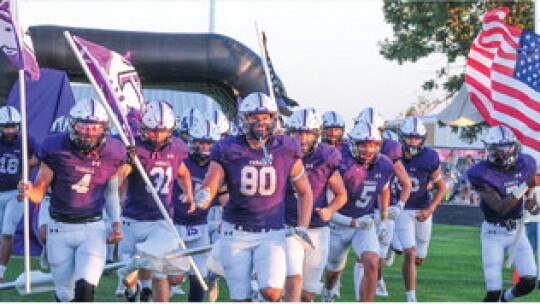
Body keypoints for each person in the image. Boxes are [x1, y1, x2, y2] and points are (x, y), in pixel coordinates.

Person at [194, 92, 313, 302]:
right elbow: (213, 180)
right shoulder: (227, 148)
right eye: (254, 117)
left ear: (273, 118)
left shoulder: (285, 147)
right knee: (240, 297)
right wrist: (204, 194)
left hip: (271, 231)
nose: (261, 122)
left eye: (266, 116)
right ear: (243, 118)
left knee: (272, 292)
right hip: (236, 233)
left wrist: (302, 227)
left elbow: (304, 191)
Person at [18, 99, 126, 301]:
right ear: (72, 125)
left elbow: (111, 193)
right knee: (65, 295)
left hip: (92, 228)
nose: (88, 133)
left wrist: (116, 223)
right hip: (59, 228)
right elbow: (40, 191)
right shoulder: (55, 147)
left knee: (85, 289)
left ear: (104, 128)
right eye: (83, 127)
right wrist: (28, 191)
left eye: (94, 128)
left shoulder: (113, 151)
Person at [117, 100, 194, 302]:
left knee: (159, 271)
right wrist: (127, 162)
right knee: (129, 274)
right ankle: (136, 290)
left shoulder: (177, 147)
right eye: (152, 131)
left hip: (161, 219)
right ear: (143, 128)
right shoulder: (135, 148)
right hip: (132, 218)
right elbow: (118, 178)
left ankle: (151, 296)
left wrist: (189, 193)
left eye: (162, 131)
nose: (157, 136)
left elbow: (183, 172)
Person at [323, 122, 394, 302]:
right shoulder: (341, 164)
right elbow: (329, 207)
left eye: (372, 145)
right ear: (353, 144)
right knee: (332, 272)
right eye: (363, 144)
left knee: (372, 261)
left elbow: (385, 189)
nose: (368, 149)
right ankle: (328, 292)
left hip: (364, 222)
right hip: (338, 224)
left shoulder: (384, 164)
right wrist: (353, 223)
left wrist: (384, 218)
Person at [467, 125, 538, 302]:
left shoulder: (526, 163)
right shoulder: (482, 172)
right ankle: (498, 298)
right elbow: (499, 208)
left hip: (516, 232)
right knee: (492, 292)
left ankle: (505, 299)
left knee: (529, 281)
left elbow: (528, 199)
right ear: (490, 150)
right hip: (493, 232)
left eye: (508, 147)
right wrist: (525, 186)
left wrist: (532, 203)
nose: (505, 152)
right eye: (500, 148)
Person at [283, 108, 347, 302]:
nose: (302, 139)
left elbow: (341, 194)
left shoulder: (326, 157)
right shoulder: (280, 154)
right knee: (293, 277)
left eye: (308, 133)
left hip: (317, 229)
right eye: (298, 133)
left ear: (317, 134)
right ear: (289, 133)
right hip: (288, 226)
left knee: (308, 292)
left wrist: (330, 209)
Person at [353, 107, 412, 296]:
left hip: (380, 207)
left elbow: (403, 182)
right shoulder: (349, 150)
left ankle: (377, 278)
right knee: (363, 257)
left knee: (379, 256)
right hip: (354, 210)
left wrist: (398, 206)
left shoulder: (389, 152)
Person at [171, 118, 227, 302]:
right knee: (174, 277)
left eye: (209, 143)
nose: (205, 147)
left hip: (199, 225)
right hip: (173, 223)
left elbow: (225, 197)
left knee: (199, 277)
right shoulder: (181, 160)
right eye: (201, 142)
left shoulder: (219, 167)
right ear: (193, 141)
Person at [393, 116, 446, 302]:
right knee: (410, 252)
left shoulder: (430, 156)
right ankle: (411, 297)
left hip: (422, 209)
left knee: (419, 257)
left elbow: (442, 187)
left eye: (417, 138)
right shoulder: (393, 154)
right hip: (402, 208)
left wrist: (430, 209)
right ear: (402, 138)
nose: (413, 142)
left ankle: (394, 246)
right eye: (409, 138)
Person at [0, 106, 39, 281]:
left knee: (8, 231)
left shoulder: (27, 141)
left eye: (13, 126)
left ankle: (0, 270)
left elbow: (40, 157)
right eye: (6, 126)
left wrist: (29, 166)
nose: (10, 130)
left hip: (15, 192)